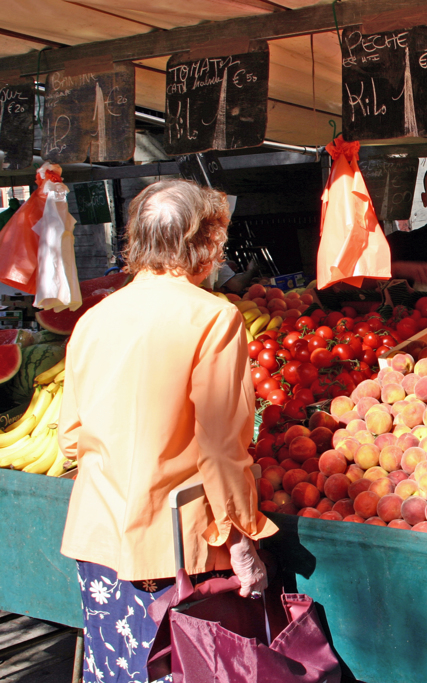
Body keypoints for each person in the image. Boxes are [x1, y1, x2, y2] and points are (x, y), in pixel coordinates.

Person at [58, 179, 277, 683]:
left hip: (100, 540)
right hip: (176, 550)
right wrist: (243, 542)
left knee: (117, 671)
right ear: (205, 243)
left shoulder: (95, 319)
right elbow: (222, 448)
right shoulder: (215, 318)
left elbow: (71, 437)